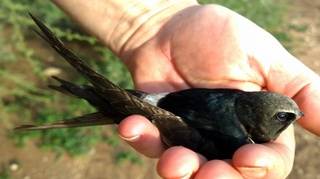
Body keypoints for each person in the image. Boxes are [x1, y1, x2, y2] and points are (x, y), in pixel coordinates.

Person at [50, 0, 320, 178]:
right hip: (155, 108)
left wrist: (154, 19)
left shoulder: (236, 97)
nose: (295, 117)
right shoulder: (237, 141)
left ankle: (84, 91)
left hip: (159, 101)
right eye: (284, 116)